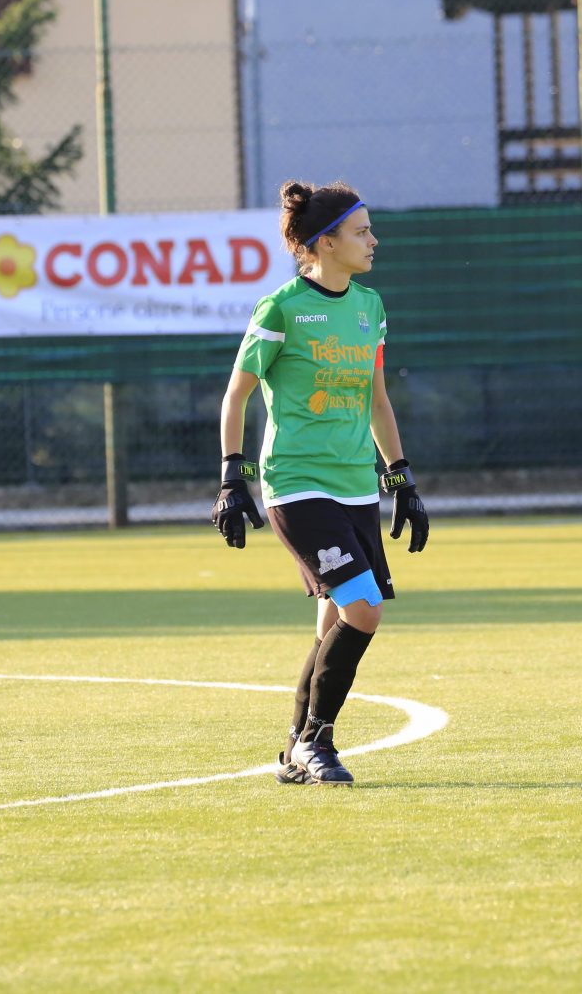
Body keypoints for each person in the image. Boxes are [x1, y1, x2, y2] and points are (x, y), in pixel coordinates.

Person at [212, 180, 429, 787]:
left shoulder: (370, 307)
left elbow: (377, 398)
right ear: (324, 242)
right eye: (361, 232)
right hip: (298, 485)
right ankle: (313, 743)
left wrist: (401, 476)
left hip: (357, 485)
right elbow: (237, 394)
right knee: (364, 609)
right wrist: (234, 477)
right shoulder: (280, 308)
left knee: (333, 620)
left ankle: (297, 747)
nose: (373, 241)